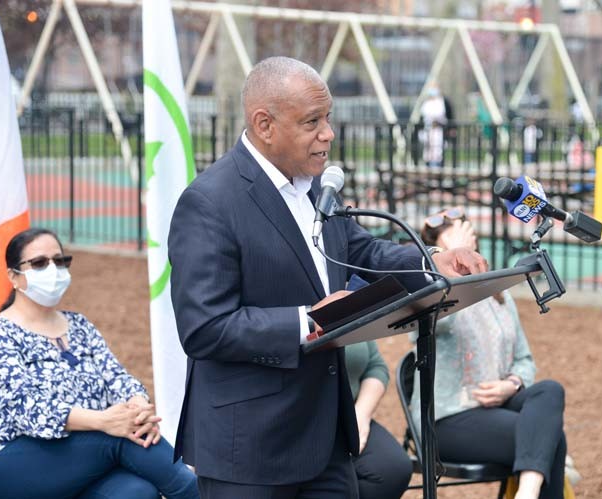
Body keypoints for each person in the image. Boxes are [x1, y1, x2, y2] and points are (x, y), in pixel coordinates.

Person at [167, 56, 487, 499]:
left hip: (326, 441)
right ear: (265, 125)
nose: (328, 134)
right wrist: (307, 321)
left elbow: (365, 251)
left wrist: (434, 259)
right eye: (312, 121)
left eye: (328, 118)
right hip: (251, 450)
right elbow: (204, 328)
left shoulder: (319, 188)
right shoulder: (209, 203)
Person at [0, 227, 200, 499]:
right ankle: (198, 492)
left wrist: (137, 404)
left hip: (82, 453)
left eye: (59, 261)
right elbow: (26, 408)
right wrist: (105, 421)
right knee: (120, 438)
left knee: (138, 492)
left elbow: (116, 377)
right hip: (5, 460)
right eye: (39, 263)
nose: (53, 269)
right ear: (13, 276)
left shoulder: (79, 325)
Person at [409, 208, 567, 499]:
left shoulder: (499, 296)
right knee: (550, 435)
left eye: (467, 236)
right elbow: (434, 322)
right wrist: (451, 263)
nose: (466, 242)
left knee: (550, 391)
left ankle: (526, 493)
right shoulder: (429, 292)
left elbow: (524, 359)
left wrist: (512, 384)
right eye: (455, 240)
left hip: (497, 407)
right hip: (448, 419)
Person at [347, 339, 413, 498]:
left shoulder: (352, 315)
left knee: (393, 469)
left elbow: (375, 367)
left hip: (350, 412)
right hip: (302, 422)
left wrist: (361, 414)